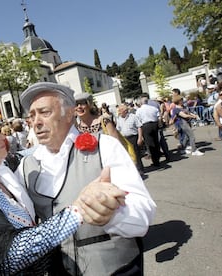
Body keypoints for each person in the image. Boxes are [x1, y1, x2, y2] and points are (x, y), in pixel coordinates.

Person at [0, 94, 128, 275]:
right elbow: (4, 258)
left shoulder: (0, 172)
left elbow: (39, 151)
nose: (2, 138)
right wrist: (77, 212)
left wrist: (82, 142)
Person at [18, 82, 156, 275]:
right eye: (32, 116)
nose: (36, 122)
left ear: (69, 113)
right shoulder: (26, 167)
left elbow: (143, 213)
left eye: (44, 112)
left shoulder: (104, 147)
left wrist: (112, 213)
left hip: (114, 268)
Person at [116, 104, 145, 174]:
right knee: (128, 155)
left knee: (136, 154)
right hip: (124, 139)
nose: (119, 112)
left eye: (120, 111)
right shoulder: (119, 118)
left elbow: (139, 127)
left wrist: (140, 138)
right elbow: (118, 129)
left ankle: (140, 169)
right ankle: (132, 169)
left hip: (133, 137)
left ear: (125, 111)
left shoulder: (133, 117)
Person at [136, 97, 161, 166]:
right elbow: (159, 117)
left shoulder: (139, 110)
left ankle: (155, 161)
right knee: (156, 141)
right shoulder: (153, 108)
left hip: (146, 126)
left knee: (150, 143)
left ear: (141, 102)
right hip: (154, 124)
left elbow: (138, 120)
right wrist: (159, 124)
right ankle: (157, 158)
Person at [214, 88, 222, 158]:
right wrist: (218, 123)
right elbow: (215, 114)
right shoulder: (218, 104)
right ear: (219, 95)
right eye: (221, 94)